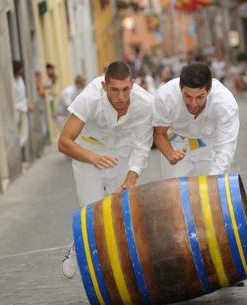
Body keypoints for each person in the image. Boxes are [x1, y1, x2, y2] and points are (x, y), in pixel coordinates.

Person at [58, 61, 154, 279]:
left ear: (132, 84)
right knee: (92, 215)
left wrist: (131, 178)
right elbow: (64, 142)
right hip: (87, 153)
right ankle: (77, 247)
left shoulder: (146, 103)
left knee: (119, 213)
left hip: (121, 155)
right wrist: (93, 157)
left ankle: (123, 271)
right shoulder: (89, 97)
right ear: (104, 86)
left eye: (125, 89)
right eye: (114, 90)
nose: (120, 96)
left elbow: (142, 147)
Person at [152, 62, 239, 178]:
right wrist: (169, 153)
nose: (193, 104)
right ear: (180, 88)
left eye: (199, 97)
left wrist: (214, 178)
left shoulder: (225, 104)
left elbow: (226, 146)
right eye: (187, 96)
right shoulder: (165, 96)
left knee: (212, 186)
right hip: (175, 141)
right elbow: (159, 132)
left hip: (209, 142)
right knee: (175, 191)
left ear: (209, 90)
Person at [12, 61, 33, 150]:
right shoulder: (12, 81)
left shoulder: (20, 80)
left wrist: (28, 104)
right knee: (21, 132)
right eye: (21, 69)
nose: (22, 71)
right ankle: (18, 149)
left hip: (23, 108)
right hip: (18, 110)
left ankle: (20, 149)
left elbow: (23, 95)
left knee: (24, 132)